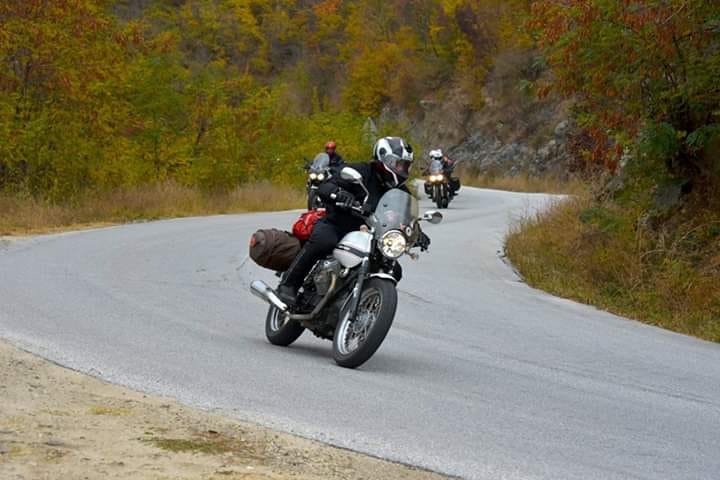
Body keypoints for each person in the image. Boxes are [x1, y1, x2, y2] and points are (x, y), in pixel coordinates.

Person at [277, 137, 425, 307]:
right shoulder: (360, 171)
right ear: (385, 159)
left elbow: (405, 216)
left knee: (393, 270)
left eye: (406, 165)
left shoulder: (400, 191)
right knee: (323, 241)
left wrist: (416, 233)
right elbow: (326, 186)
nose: (403, 169)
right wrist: (339, 194)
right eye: (399, 164)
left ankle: (363, 308)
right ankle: (288, 284)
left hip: (371, 237)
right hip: (339, 224)